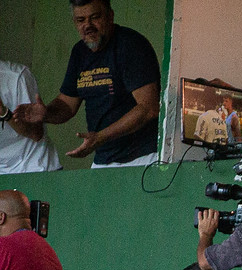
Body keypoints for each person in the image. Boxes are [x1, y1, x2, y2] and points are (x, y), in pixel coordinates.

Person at [32, 0, 159, 168]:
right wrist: (46, 113)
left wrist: (100, 137)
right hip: (104, 158)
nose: (88, 25)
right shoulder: (79, 52)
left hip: (144, 156)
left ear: (110, 16)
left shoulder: (130, 45)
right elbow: (68, 104)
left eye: (95, 17)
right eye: (81, 20)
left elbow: (148, 108)